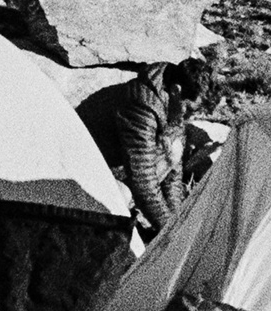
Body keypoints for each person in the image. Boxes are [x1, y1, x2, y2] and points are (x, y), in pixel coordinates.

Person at [76, 54, 210, 240]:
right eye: (189, 109)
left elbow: (173, 173)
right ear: (176, 91)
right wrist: (172, 235)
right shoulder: (140, 106)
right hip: (90, 171)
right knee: (122, 195)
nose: (188, 117)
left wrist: (176, 222)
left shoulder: (173, 106)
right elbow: (142, 178)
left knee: (174, 150)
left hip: (123, 168)